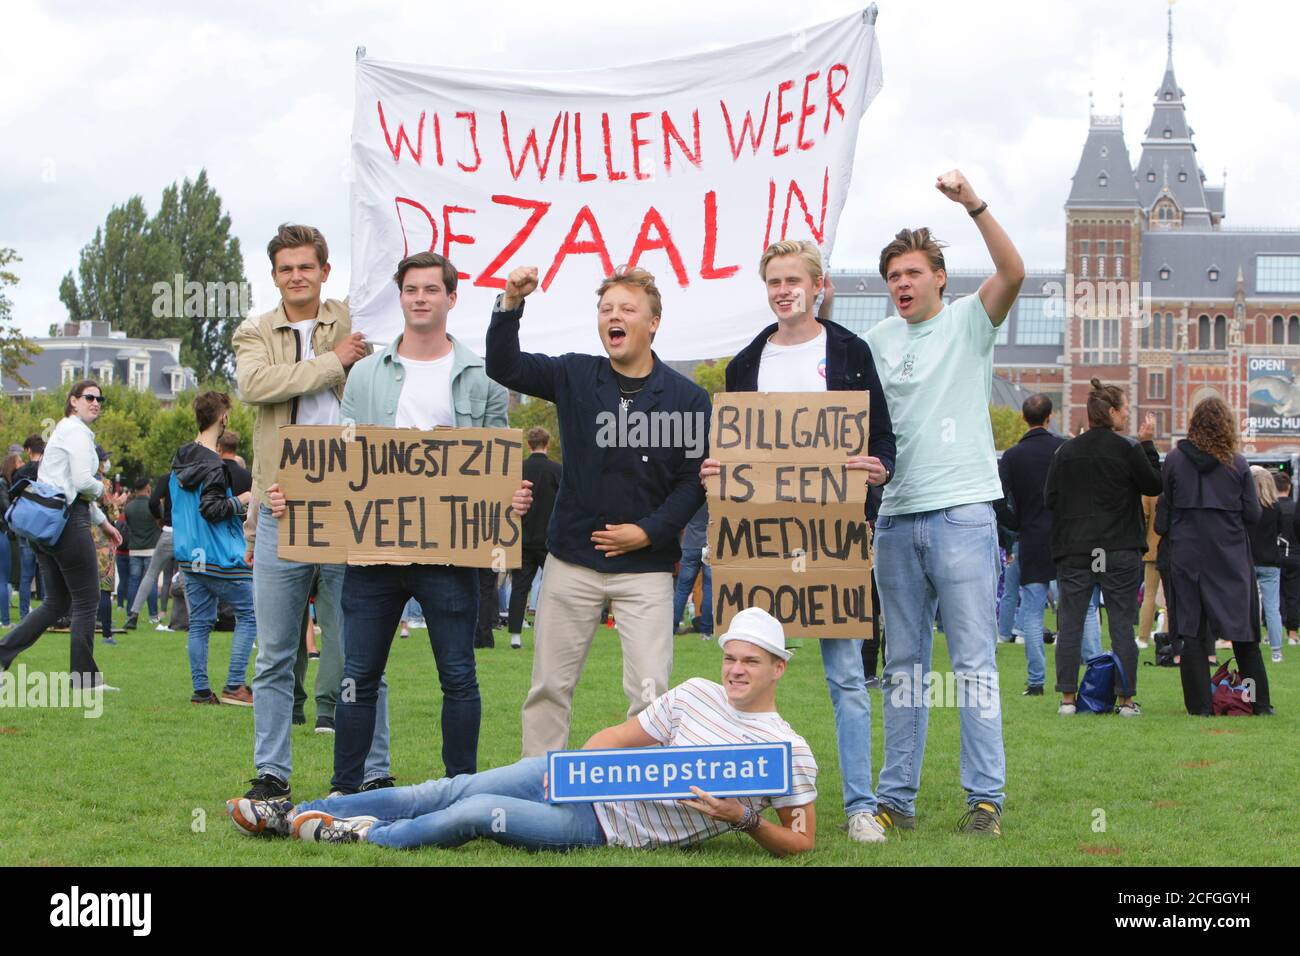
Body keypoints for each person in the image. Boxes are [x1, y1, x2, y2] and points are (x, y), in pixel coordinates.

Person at [225, 607, 817, 856]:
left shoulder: (788, 751)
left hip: (607, 830)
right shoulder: (695, 693)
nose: (736, 670)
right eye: (731, 658)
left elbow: (802, 842)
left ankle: (358, 836)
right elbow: (617, 736)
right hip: (580, 783)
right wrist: (587, 767)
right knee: (449, 788)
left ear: (778, 668)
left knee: (477, 812)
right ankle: (297, 810)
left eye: (751, 662)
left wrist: (742, 819)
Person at [291, 249, 529, 795]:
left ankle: (460, 790)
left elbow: (496, 460)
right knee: (357, 676)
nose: (420, 298)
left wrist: (510, 496)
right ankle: (345, 790)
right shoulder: (366, 373)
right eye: (411, 290)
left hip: (450, 555)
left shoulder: (482, 375)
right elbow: (343, 457)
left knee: (459, 675)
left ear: (450, 297)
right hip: (375, 552)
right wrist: (300, 496)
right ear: (401, 297)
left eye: (431, 290)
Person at [698, 238, 895, 843]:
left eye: (794, 280)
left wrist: (877, 473)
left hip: (833, 537)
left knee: (845, 676)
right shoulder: (744, 364)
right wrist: (715, 473)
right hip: (759, 540)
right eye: (774, 282)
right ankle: (740, 798)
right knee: (745, 669)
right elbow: (733, 452)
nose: (784, 291)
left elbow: (882, 440)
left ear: (819, 286)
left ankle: (860, 804)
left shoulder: (852, 353)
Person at [487, 264, 709, 759]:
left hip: (646, 570)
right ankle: (537, 783)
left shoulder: (688, 398)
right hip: (571, 561)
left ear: (653, 322)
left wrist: (649, 532)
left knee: (651, 695)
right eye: (606, 309)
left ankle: (637, 803)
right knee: (548, 687)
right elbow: (505, 367)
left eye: (627, 309)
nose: (615, 316)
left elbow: (693, 480)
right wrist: (510, 305)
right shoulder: (574, 374)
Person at [860, 171, 1024, 836]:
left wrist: (974, 205)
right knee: (903, 666)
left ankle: (985, 797)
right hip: (895, 519)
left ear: (939, 279)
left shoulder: (968, 324)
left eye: (912, 273)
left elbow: (1013, 270)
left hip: (962, 514)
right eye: (893, 275)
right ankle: (895, 798)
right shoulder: (874, 343)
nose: (901, 284)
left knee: (974, 662)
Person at [232, 222, 383, 800]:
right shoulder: (255, 329)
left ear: (324, 270)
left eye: (306, 266)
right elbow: (256, 385)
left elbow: (380, 378)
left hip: (352, 503)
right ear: (274, 276)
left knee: (361, 647)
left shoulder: (351, 317)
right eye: (285, 268)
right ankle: (272, 774)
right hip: (281, 505)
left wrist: (346, 358)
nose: (296, 276)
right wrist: (332, 361)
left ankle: (374, 770)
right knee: (274, 651)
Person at [1045, 379, 1161, 717]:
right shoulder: (1128, 449)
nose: (1128, 415)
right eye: (1125, 409)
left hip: (1076, 550)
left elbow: (1049, 499)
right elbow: (1155, 483)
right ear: (1111, 412)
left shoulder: (1065, 451)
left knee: (1071, 623)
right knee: (1121, 625)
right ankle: (1125, 699)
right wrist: (1148, 443)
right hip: (1119, 548)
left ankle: (1067, 698)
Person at [0, 380, 123, 690]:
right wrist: (103, 493)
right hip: (67, 522)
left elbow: (63, 485)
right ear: (73, 401)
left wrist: (102, 522)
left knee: (55, 602)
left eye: (99, 398)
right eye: (89, 397)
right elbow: (82, 483)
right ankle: (83, 679)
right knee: (87, 599)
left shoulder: (63, 432)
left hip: (48, 523)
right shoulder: (77, 433)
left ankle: (1, 655)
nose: (96, 402)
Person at [1159, 398, 1272, 715]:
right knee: (1244, 633)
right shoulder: (1236, 464)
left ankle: (1198, 706)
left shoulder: (1174, 459)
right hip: (1229, 554)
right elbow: (1252, 514)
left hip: (1187, 554)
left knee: (1192, 632)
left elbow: (1166, 502)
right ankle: (1257, 702)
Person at [170, 391, 258, 707]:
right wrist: (244, 501)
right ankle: (235, 685)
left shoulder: (179, 459)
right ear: (223, 417)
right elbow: (212, 508)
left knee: (201, 623)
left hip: (188, 555)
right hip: (220, 555)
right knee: (250, 613)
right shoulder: (214, 465)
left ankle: (201, 691)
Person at [997, 394, 1066, 696]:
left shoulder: (1012, 457)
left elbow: (998, 498)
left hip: (1032, 537)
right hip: (1064, 537)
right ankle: (1084, 673)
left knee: (1033, 612)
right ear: (1049, 417)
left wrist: (1014, 524)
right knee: (1080, 610)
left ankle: (1036, 681)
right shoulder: (1062, 450)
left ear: (1024, 419)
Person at [508, 426, 562, 650]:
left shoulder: (517, 469)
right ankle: (548, 634)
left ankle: (515, 635)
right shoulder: (557, 471)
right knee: (552, 588)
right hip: (548, 538)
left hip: (522, 535)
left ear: (529, 445)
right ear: (547, 444)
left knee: (520, 586)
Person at [124, 472, 176, 630]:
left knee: (150, 575)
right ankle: (193, 617)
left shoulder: (168, 478)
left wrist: (159, 519)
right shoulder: (196, 477)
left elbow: (154, 501)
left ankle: (133, 613)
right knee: (188, 577)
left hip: (167, 531)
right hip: (187, 533)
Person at [1248, 466, 1284, 664]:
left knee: (1251, 606)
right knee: (1272, 608)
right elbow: (1278, 532)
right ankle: (1276, 651)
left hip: (1249, 560)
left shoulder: (1247, 507)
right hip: (1271, 561)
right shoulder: (1275, 507)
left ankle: (1252, 644)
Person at [13, 436, 45, 618]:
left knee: (26, 576)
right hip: (44, 526)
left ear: (28, 450)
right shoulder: (48, 470)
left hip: (26, 526)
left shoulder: (21, 473)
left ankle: (24, 613)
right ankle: (50, 614)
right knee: (48, 572)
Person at [122, 477, 161, 623]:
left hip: (134, 548)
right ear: (147, 488)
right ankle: (153, 615)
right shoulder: (153, 505)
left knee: (133, 582)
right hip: (151, 547)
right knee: (150, 581)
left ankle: (130, 613)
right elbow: (160, 520)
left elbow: (128, 524)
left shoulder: (129, 507)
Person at [672, 503, 712, 639]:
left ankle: (672, 626)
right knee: (709, 589)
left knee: (682, 589)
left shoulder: (693, 495)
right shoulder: (717, 495)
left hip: (689, 544)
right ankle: (706, 631)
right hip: (710, 545)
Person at [1273, 472, 1300, 646]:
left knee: (1274, 597)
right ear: (1289, 488)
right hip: (1295, 555)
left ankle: (1274, 632)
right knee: (1293, 595)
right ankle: (1292, 633)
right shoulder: (1295, 507)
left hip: (1274, 557)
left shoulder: (1269, 508)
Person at [1137, 493, 1163, 649]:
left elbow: (1144, 517)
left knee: (1149, 595)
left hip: (1153, 548)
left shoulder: (1149, 492)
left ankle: (1143, 638)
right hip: (1176, 548)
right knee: (1171, 597)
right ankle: (1166, 635)